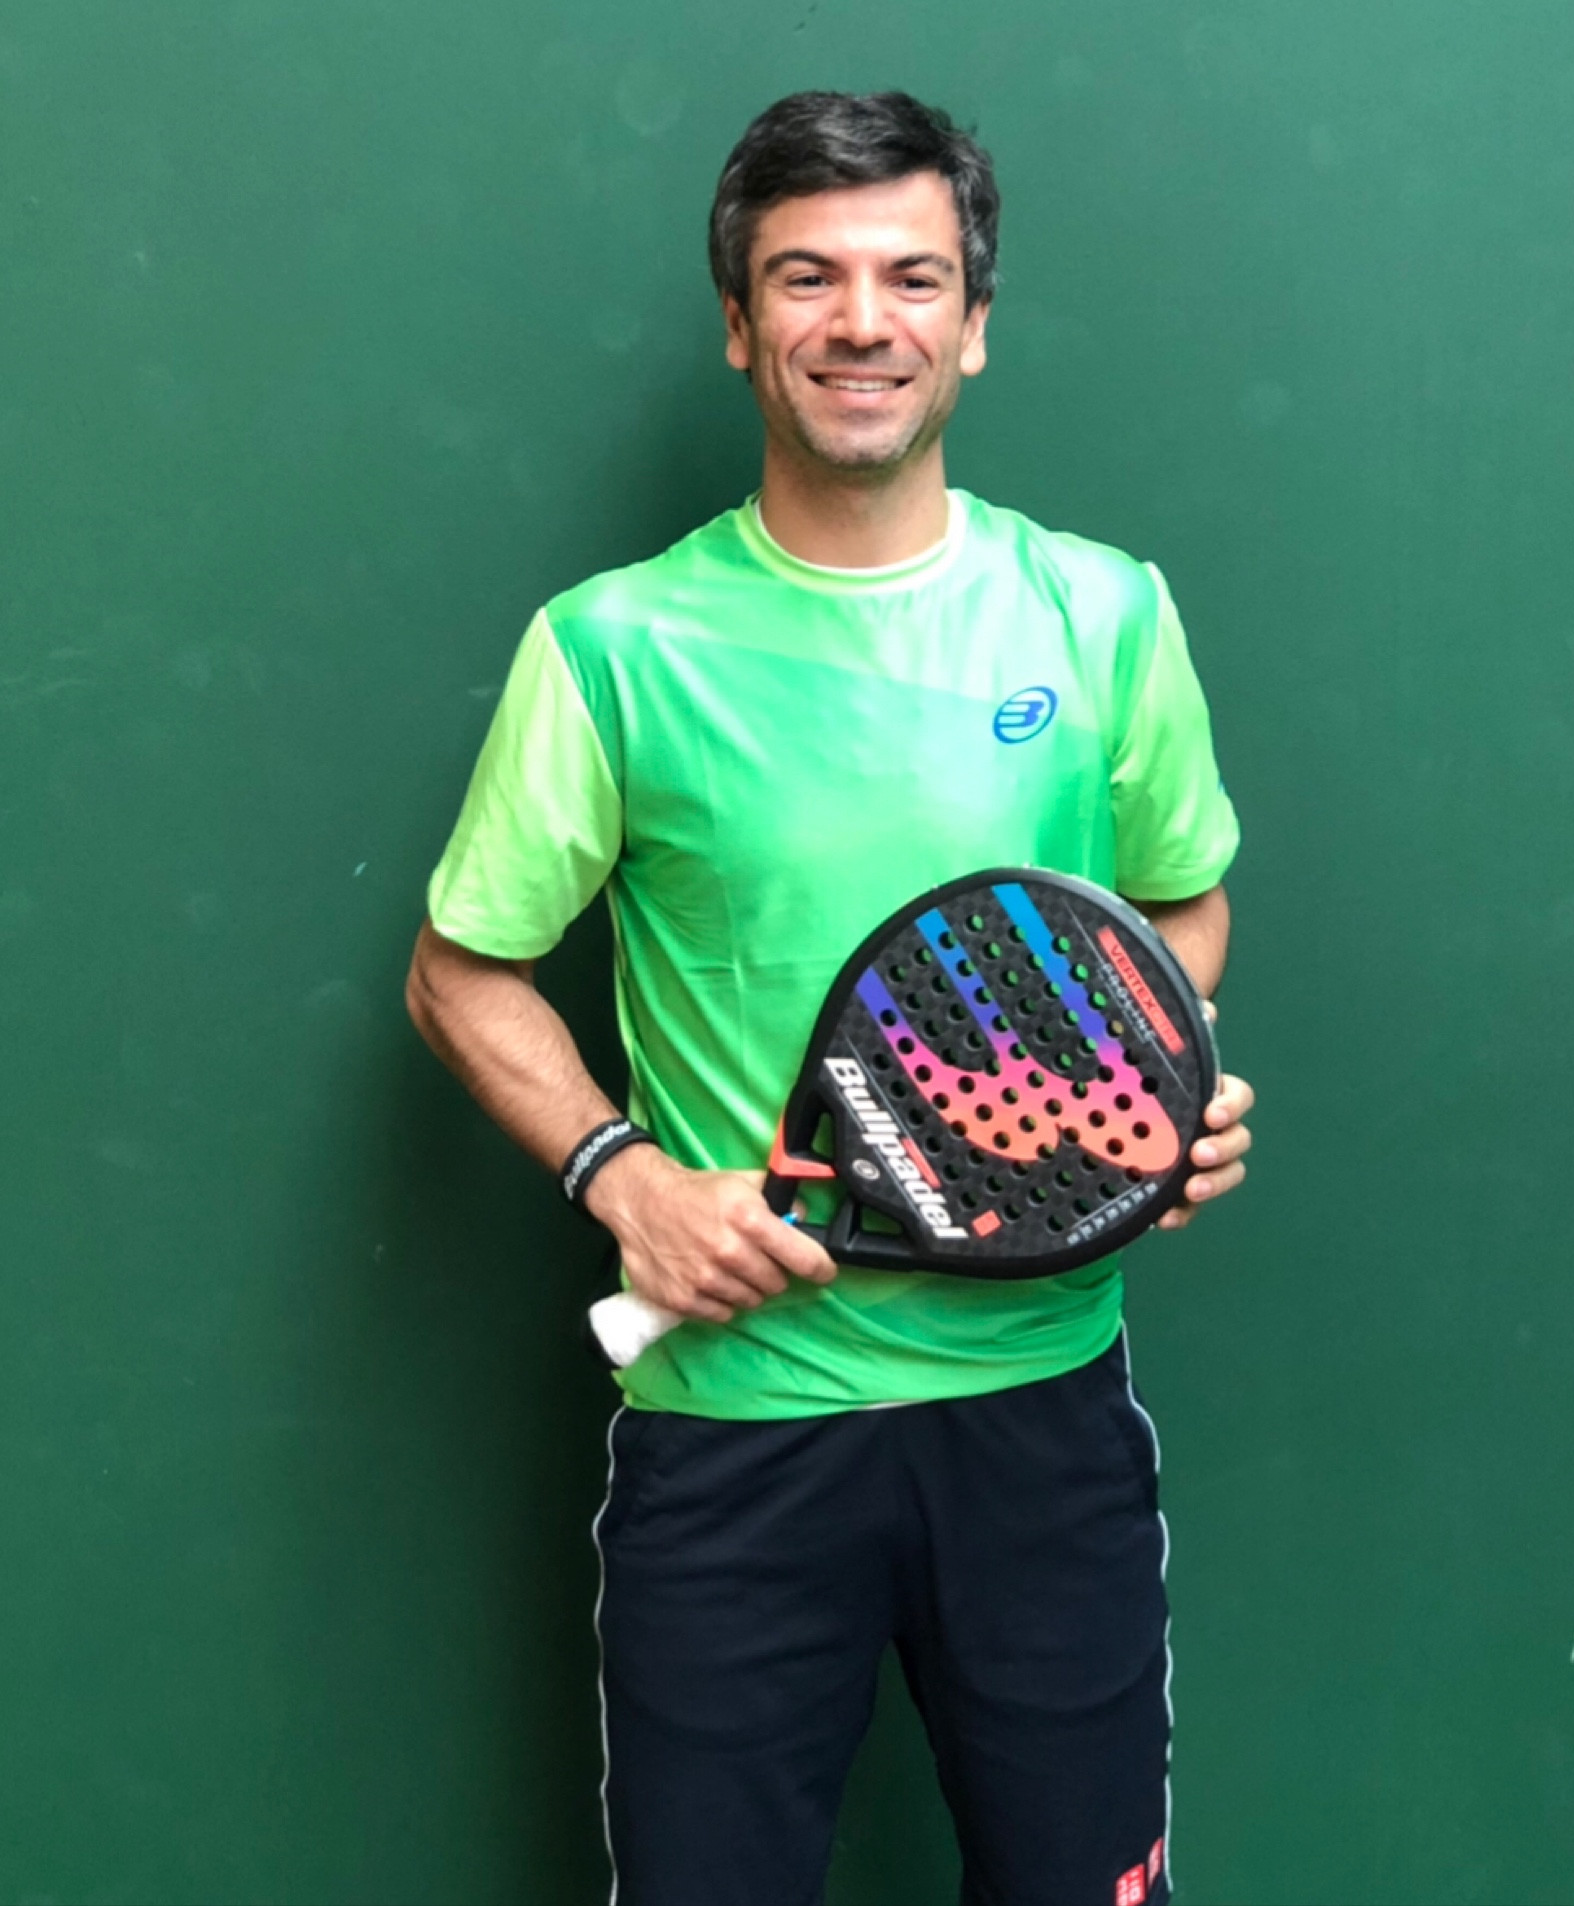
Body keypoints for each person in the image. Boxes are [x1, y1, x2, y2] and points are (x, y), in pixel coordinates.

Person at [406, 89, 1254, 1906]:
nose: (863, 320)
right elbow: (460, 971)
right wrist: (626, 1179)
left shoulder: (1102, 614)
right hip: (735, 1434)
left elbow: (1180, 905)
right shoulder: (613, 646)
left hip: (1044, 1425)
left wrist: (1140, 1094)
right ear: (740, 322)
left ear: (973, 322)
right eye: (808, 277)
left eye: (911, 277)